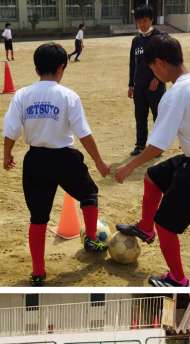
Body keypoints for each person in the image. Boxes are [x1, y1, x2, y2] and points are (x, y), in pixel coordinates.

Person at [115, 34, 190, 287]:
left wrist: (128, 167)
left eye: (152, 68)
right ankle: (145, 228)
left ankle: (178, 279)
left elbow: (157, 146)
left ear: (160, 63)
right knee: (154, 176)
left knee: (166, 225)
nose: (154, 73)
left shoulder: (175, 95)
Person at [3, 43, 109, 286]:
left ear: (36, 68)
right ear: (62, 67)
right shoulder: (68, 96)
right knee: (89, 194)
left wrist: (6, 155)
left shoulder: (22, 95)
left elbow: (11, 130)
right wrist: (99, 162)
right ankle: (91, 239)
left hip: (35, 161)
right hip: (64, 159)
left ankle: (38, 272)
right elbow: (84, 133)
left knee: (38, 217)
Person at [128, 5, 165, 156]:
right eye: (139, 21)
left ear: (151, 20)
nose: (142, 24)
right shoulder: (136, 40)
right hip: (139, 85)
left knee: (158, 116)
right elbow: (133, 63)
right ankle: (140, 145)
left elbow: (166, 61)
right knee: (140, 116)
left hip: (155, 85)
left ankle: (157, 147)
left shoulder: (160, 38)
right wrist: (131, 84)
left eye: (145, 21)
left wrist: (158, 78)